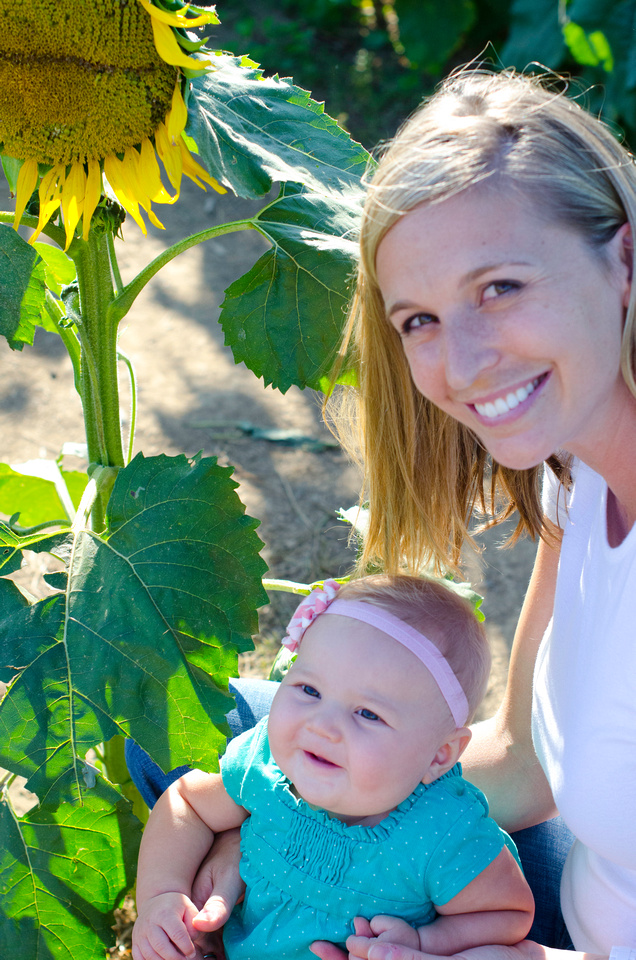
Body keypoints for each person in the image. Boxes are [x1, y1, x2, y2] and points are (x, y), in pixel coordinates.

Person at [127, 66, 636, 958]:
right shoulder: (581, 478)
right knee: (197, 723)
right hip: (579, 871)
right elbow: (520, 760)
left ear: (623, 259)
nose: (464, 362)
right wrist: (291, 837)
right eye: (419, 320)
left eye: (501, 287)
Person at [131, 575, 534, 960]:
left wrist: (426, 943)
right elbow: (187, 803)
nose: (322, 726)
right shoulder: (267, 764)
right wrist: (162, 894)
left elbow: (506, 913)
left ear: (439, 755)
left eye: (367, 714)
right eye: (309, 689)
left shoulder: (442, 832)